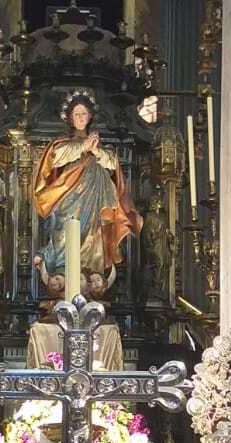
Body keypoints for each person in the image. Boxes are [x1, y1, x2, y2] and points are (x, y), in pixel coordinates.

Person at [30, 91, 141, 299]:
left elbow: (112, 164)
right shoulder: (62, 144)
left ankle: (91, 277)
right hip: (69, 200)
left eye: (84, 114)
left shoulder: (100, 147)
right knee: (64, 234)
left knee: (93, 236)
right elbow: (55, 158)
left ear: (90, 117)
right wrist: (83, 146)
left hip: (95, 200)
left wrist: (96, 151)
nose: (80, 118)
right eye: (77, 114)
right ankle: (62, 276)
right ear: (71, 118)